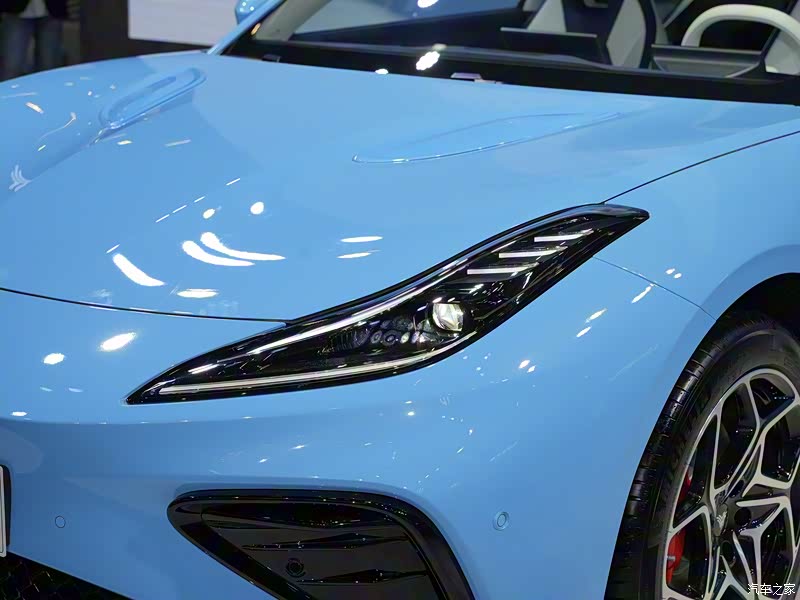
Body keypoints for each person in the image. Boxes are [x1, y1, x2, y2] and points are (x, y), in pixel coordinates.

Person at [1, 0, 67, 81]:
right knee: (11, 66)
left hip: (52, 10)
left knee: (49, 65)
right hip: (15, 10)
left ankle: (46, 89)